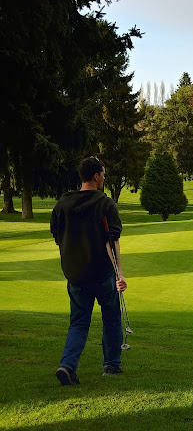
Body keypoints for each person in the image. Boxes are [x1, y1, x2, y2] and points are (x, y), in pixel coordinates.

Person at [50, 156, 127, 385]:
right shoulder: (105, 203)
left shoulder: (63, 203)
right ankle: (112, 365)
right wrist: (120, 274)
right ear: (96, 176)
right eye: (103, 173)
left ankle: (67, 365)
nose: (104, 177)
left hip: (75, 275)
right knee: (111, 318)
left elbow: (57, 236)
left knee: (78, 322)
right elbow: (113, 241)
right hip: (102, 272)